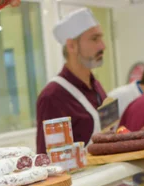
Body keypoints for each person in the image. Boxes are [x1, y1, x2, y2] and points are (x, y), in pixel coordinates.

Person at [36, 7, 106, 152]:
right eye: (94, 39)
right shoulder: (52, 97)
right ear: (71, 46)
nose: (102, 46)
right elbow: (48, 160)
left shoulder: (96, 86)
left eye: (101, 38)